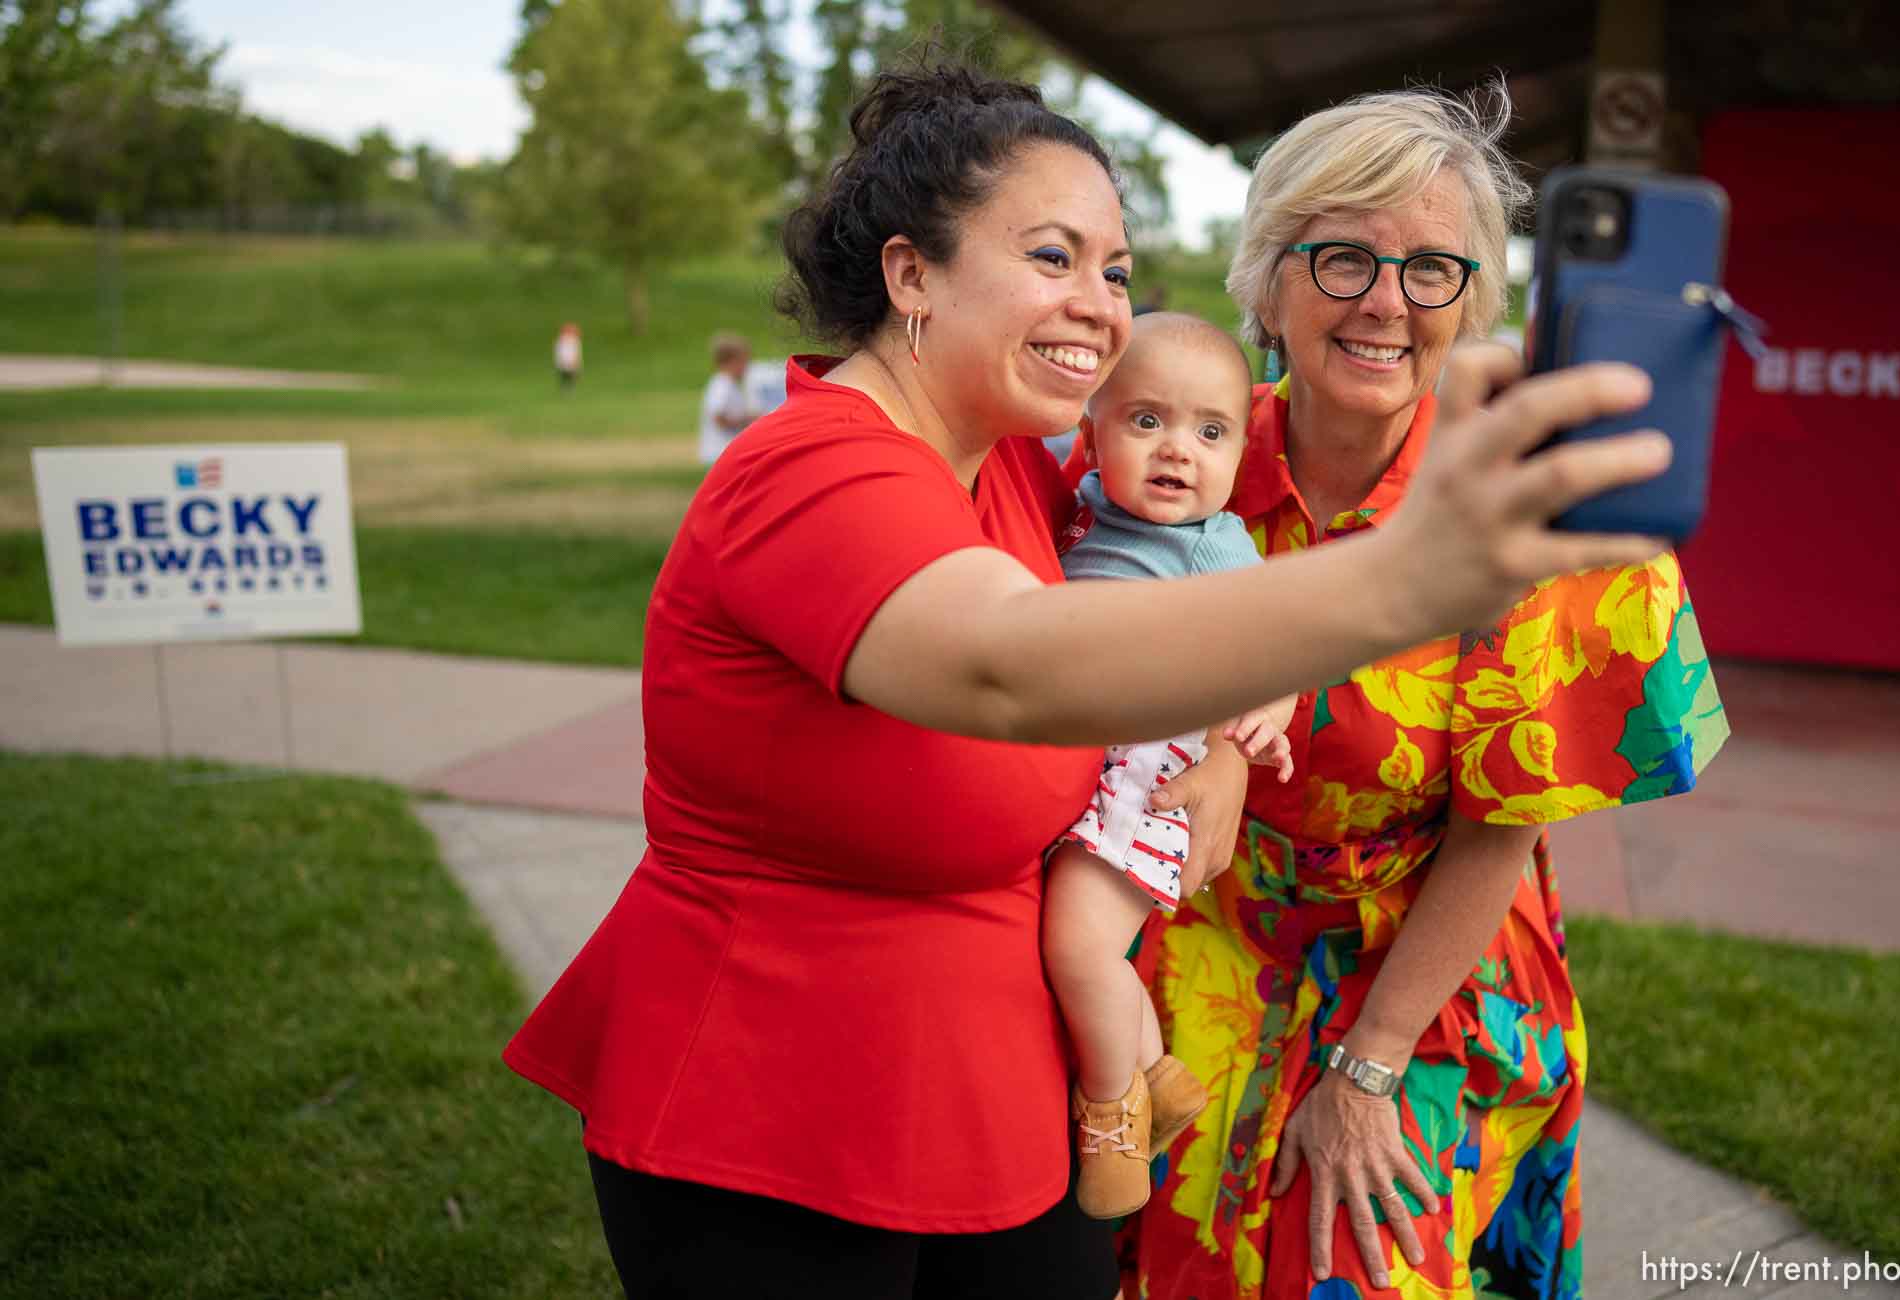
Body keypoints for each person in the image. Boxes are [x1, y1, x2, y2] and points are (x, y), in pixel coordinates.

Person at [501, 62, 1676, 1300]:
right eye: (1053, 256)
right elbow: (1011, 665)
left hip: (1014, 1080)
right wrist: (1403, 582)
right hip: (788, 1097)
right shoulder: (815, 475)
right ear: (909, 276)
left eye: (1113, 271)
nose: (1099, 307)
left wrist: (1224, 750)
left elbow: (1153, 619)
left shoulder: (1021, 464)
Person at [1121, 85, 1732, 1300]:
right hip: (1191, 942)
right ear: (1269, 278)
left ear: (1473, 301)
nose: (1387, 302)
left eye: (1434, 270)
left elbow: (1502, 825)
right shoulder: (1177, 449)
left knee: (1354, 1264)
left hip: (1423, 971)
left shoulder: (1531, 509)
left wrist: (1367, 1072)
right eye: (1344, 258)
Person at [1042, 311, 1298, 1220]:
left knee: (1077, 945)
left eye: (1210, 430)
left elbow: (1287, 647)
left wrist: (1258, 726)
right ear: (1092, 432)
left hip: (1147, 783)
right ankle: (1156, 1073)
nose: (1176, 450)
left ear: (1240, 454)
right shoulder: (1088, 511)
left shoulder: (1215, 546)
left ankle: (1114, 1118)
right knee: (1089, 946)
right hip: (1098, 775)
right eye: (1145, 421)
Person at [697, 331, 757, 463]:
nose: (747, 367)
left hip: (725, 452)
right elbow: (718, 417)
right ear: (730, 361)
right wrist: (748, 420)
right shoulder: (722, 385)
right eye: (744, 361)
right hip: (718, 452)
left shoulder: (730, 385)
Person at [554, 322, 582, 390]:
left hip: (570, 361)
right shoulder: (562, 341)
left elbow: (576, 352)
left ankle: (569, 386)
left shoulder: (575, 341)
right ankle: (566, 387)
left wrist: (575, 361)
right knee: (566, 374)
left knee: (571, 374)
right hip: (566, 361)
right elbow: (561, 352)